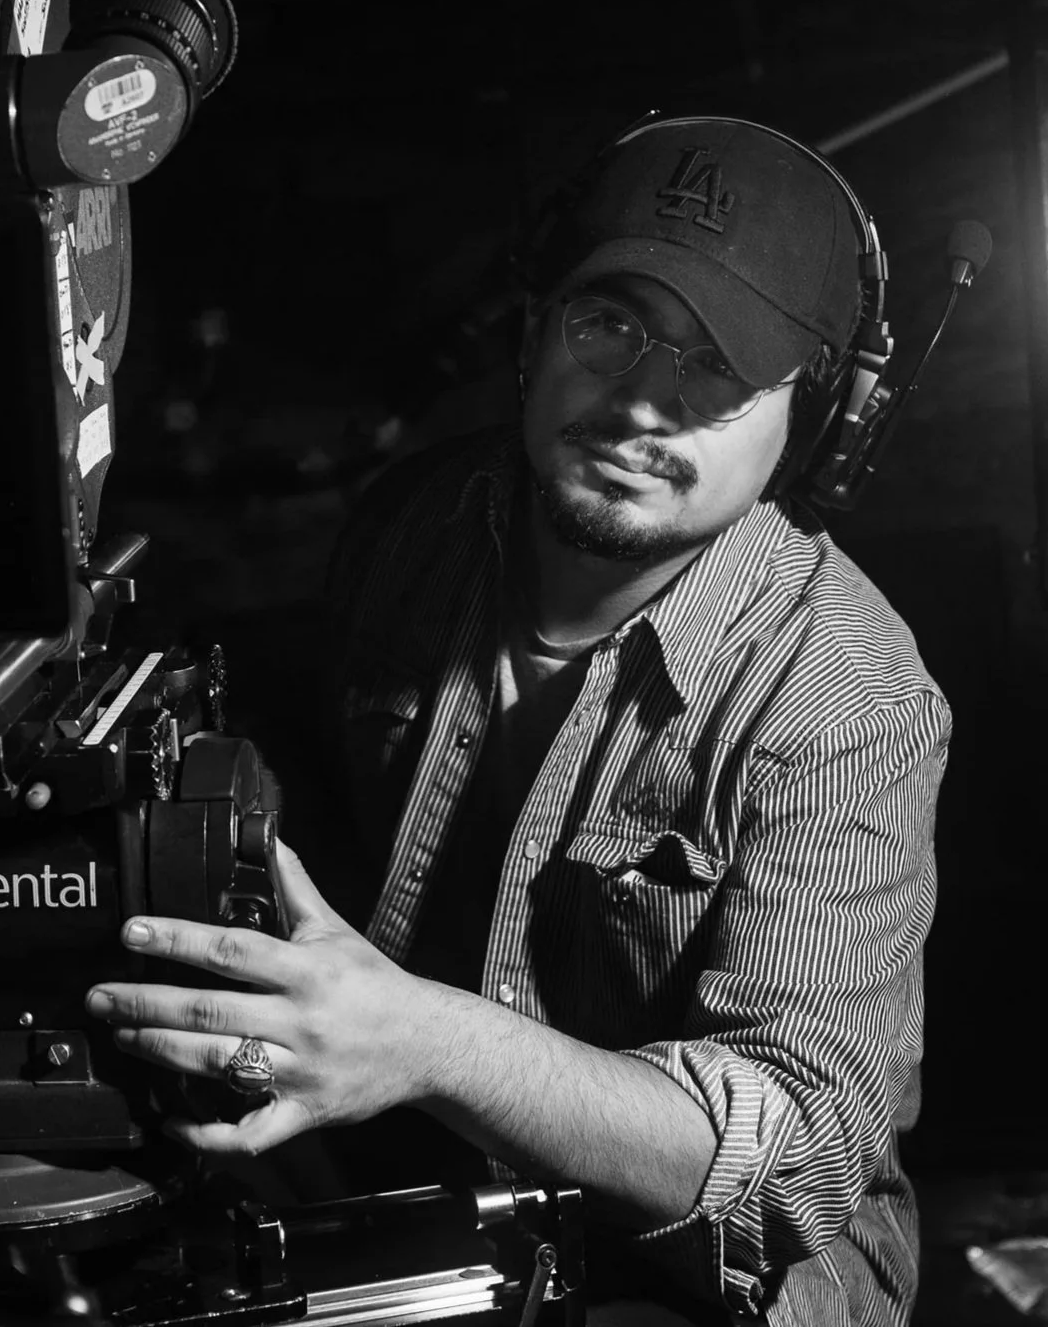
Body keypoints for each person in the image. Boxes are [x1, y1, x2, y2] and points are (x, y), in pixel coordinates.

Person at [83, 116, 950, 1325]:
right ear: (536, 331)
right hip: (423, 1187)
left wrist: (424, 1040)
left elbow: (791, 1161)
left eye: (719, 365)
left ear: (819, 416)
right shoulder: (417, 531)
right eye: (611, 325)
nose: (644, 400)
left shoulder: (849, 697)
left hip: (707, 1278)